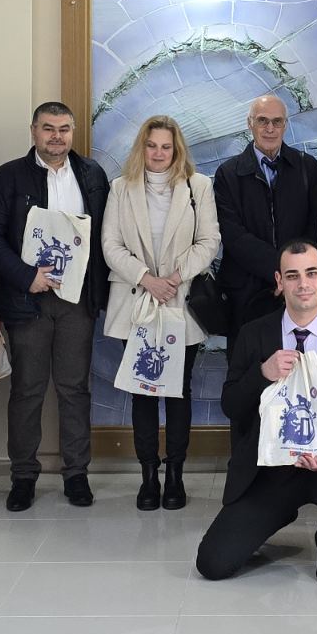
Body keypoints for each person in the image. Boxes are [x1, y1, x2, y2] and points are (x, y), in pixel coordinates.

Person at [194, 240, 317, 586]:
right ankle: (276, 514)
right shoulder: (253, 333)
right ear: (279, 281)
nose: (303, 284)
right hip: (271, 466)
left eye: (311, 273)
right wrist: (262, 373)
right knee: (212, 564)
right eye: (292, 275)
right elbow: (231, 404)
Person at [0, 101, 110, 512]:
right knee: (27, 389)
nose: (56, 136)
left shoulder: (92, 175)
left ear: (73, 132)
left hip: (76, 302)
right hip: (27, 299)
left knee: (74, 389)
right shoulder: (8, 177)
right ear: (33, 130)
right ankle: (23, 477)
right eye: (48, 128)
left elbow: (106, 236)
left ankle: (77, 474)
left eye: (64, 129)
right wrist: (26, 276)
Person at [101, 115, 221, 511]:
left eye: (166, 146)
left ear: (176, 149)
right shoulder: (121, 188)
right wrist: (147, 279)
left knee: (179, 391)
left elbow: (209, 241)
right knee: (143, 391)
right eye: (152, 145)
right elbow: (110, 244)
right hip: (135, 300)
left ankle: (175, 477)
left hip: (180, 299)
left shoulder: (198, 187)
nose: (158, 153)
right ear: (142, 147)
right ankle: (149, 477)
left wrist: (173, 278)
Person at [213, 93, 317, 349]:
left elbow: (315, 225)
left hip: (297, 288)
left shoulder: (308, 168)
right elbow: (232, 234)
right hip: (245, 291)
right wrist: (279, 271)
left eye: (277, 121)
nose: (270, 128)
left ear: (285, 125)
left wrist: (291, 275)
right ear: (249, 123)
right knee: (246, 364)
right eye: (262, 120)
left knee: (298, 362)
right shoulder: (228, 173)